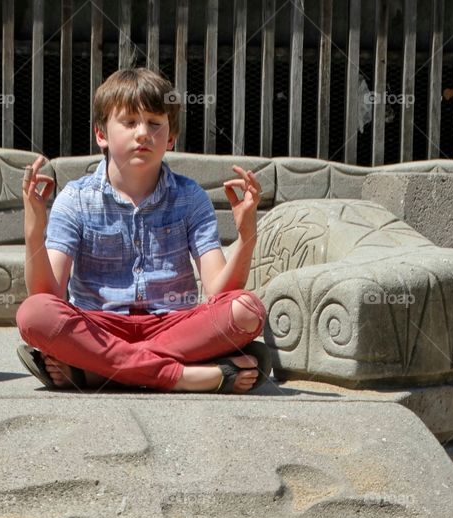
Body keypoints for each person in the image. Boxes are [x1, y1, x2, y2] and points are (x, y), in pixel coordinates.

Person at [15, 66, 270, 393]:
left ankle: (95, 373)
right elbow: (47, 294)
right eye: (130, 122)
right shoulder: (75, 198)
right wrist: (34, 229)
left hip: (174, 327)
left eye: (154, 123)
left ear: (171, 137)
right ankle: (188, 377)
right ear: (101, 134)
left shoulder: (191, 197)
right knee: (34, 314)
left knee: (248, 310)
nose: (142, 133)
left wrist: (247, 235)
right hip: (99, 327)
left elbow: (220, 292)